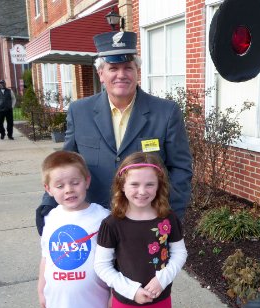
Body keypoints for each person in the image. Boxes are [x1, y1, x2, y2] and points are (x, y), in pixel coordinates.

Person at [36, 30, 192, 235]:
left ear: (137, 71)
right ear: (101, 74)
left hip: (146, 222)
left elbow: (181, 169)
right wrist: (48, 206)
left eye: (128, 67)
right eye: (113, 68)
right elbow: (64, 164)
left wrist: (169, 213)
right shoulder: (79, 111)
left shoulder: (166, 112)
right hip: (93, 225)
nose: (121, 75)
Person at [94, 152, 187, 308]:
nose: (142, 191)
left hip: (160, 301)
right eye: (134, 184)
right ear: (122, 186)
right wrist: (132, 290)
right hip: (127, 305)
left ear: (160, 186)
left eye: (150, 184)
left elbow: (179, 254)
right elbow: (102, 266)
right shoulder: (112, 223)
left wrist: (162, 279)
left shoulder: (168, 218)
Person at [38, 150, 113, 308]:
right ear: (48, 188)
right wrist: (41, 287)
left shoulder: (103, 218)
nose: (68, 189)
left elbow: (116, 260)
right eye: (60, 185)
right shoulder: (51, 219)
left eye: (75, 182)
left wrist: (114, 293)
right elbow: (46, 256)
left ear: (87, 181)